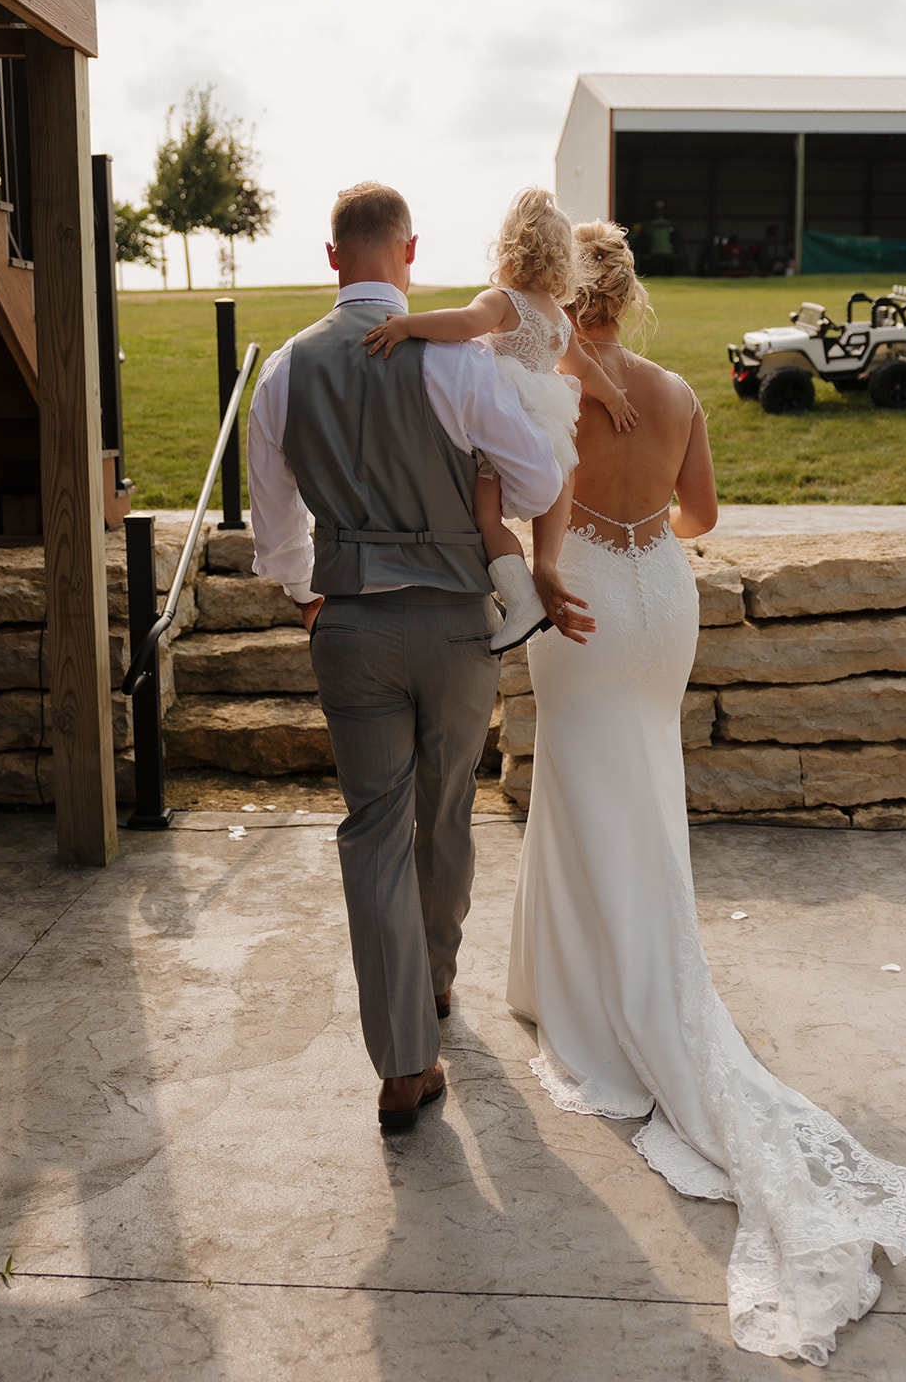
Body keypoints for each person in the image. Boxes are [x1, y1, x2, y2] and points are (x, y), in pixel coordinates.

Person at [507, 219, 906, 1364]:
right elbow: (701, 520)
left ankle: (597, 1001)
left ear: (559, 295)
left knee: (580, 775)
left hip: (582, 596)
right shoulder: (679, 390)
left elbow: (514, 499)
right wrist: (641, 516)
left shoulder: (541, 384)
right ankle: (606, 971)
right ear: (629, 295)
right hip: (657, 598)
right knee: (634, 781)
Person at [247, 181, 574, 1133]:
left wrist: (310, 596)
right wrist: (478, 501)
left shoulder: (283, 373)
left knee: (372, 831)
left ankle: (401, 1062)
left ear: (331, 256)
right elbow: (542, 476)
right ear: (411, 252)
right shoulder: (457, 363)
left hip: (349, 625)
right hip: (454, 628)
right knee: (444, 810)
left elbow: (275, 527)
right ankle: (432, 979)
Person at [363, 187, 636, 654]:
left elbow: (464, 324)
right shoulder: (558, 318)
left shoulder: (503, 300)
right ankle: (541, 567)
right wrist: (613, 399)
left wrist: (408, 325)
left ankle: (520, 600)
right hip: (547, 419)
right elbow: (583, 369)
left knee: (486, 515)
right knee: (553, 481)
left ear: (510, 249)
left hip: (507, 415)